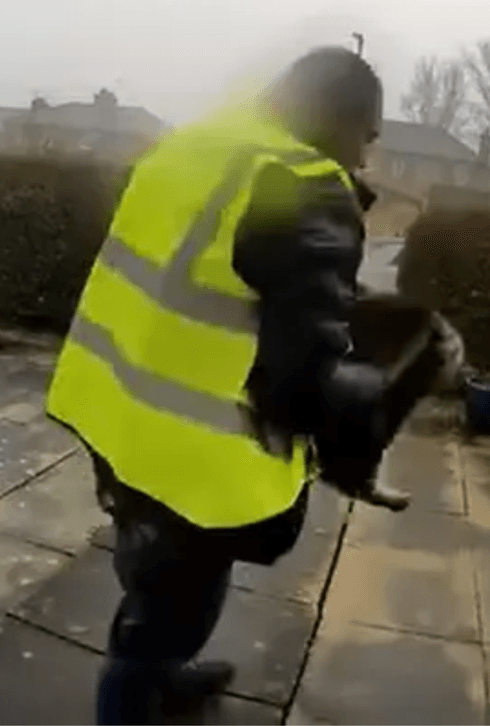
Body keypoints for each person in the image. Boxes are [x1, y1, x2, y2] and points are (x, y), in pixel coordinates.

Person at [45, 46, 426, 724]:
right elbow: (300, 382)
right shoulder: (305, 185)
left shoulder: (192, 149)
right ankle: (140, 691)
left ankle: (165, 674)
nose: (364, 160)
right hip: (200, 455)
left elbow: (201, 274)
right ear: (333, 116)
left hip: (118, 415)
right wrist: (374, 398)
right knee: (165, 611)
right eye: (365, 136)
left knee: (151, 578)